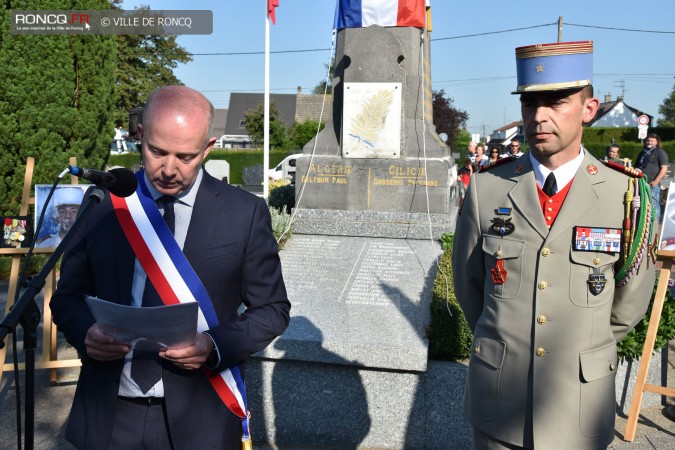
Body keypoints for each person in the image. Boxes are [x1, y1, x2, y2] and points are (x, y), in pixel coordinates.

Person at [51, 85, 290, 449]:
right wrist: (85, 333)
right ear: (140, 135)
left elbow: (273, 310)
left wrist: (213, 345)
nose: (168, 169)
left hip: (201, 415)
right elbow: (67, 297)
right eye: (157, 151)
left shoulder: (243, 213)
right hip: (109, 412)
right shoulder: (103, 203)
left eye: (186, 156)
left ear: (208, 148)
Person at [452, 41, 656, 450]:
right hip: (500, 398)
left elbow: (630, 300)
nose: (539, 116)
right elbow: (469, 285)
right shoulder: (488, 188)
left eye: (557, 102)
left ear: (588, 109)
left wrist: (584, 339)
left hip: (578, 400)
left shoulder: (625, 194)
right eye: (530, 104)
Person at [635, 133, 668, 224]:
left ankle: (655, 225)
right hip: (640, 183)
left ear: (657, 142)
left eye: (652, 141)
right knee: (641, 205)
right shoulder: (643, 153)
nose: (649, 142)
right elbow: (636, 166)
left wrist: (656, 182)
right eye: (648, 141)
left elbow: (664, 168)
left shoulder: (660, 152)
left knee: (654, 205)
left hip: (652, 184)